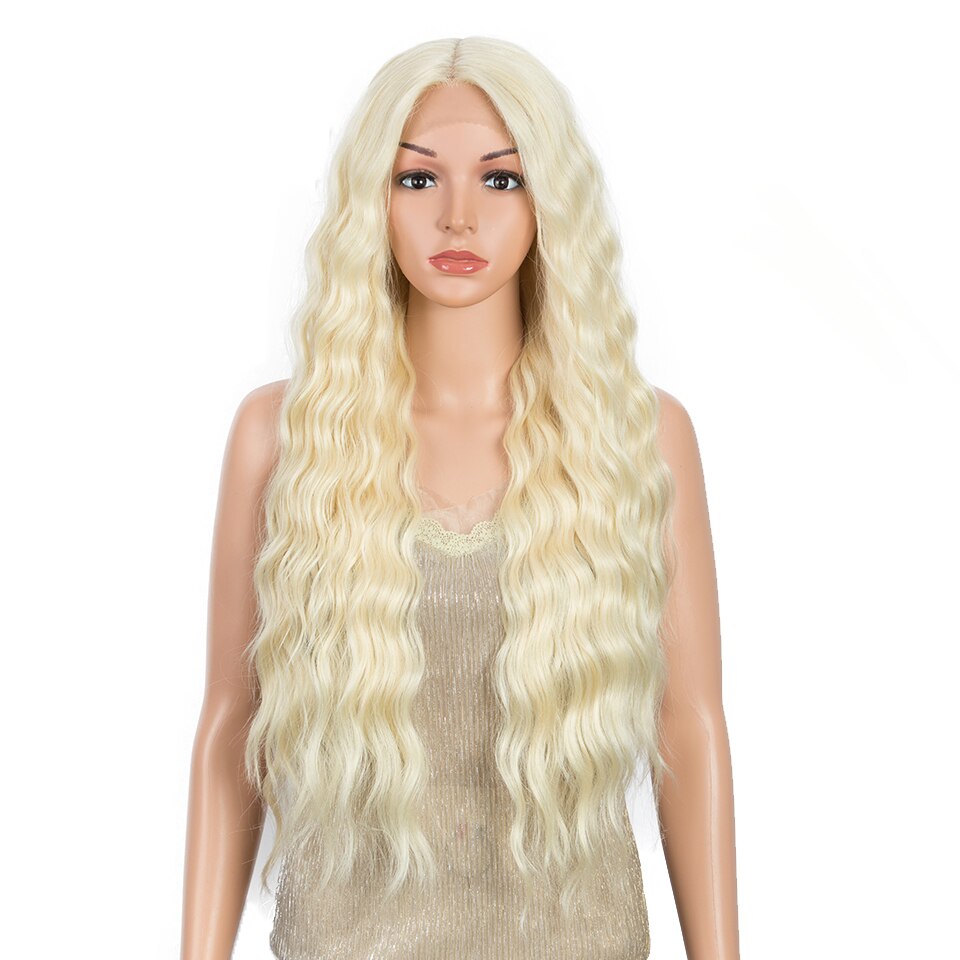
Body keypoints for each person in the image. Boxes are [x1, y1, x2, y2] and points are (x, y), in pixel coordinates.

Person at [181, 36, 740, 960]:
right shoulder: (282, 439)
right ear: (372, 202)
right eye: (417, 180)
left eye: (500, 179)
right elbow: (229, 727)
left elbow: (692, 724)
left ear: (549, 201)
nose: (457, 218)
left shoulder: (639, 439)